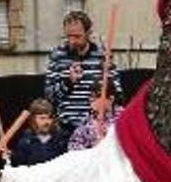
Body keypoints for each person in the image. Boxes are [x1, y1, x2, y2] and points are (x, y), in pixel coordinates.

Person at [44, 11, 122, 139]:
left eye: (77, 36)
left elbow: (118, 96)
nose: (72, 41)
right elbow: (49, 96)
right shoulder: (58, 56)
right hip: (66, 128)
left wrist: (108, 79)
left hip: (95, 128)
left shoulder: (102, 56)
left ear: (88, 34)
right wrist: (68, 82)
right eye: (68, 36)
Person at [67, 78, 123, 151]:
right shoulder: (88, 119)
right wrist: (90, 153)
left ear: (111, 99)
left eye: (97, 96)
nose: (92, 99)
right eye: (91, 96)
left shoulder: (123, 117)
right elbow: (73, 144)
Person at [10, 99, 69, 166]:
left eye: (49, 118)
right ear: (33, 119)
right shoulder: (25, 142)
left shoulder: (61, 140)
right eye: (42, 118)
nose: (47, 122)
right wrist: (9, 158)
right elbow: (18, 166)